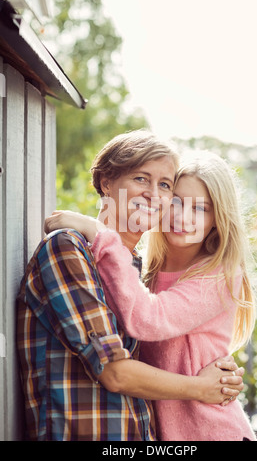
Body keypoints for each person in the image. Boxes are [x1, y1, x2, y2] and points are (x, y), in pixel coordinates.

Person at [17, 131, 243, 442]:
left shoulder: (130, 269)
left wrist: (217, 371)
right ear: (107, 182)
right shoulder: (68, 248)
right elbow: (116, 372)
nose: (154, 194)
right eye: (141, 178)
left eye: (164, 185)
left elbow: (151, 332)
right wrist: (202, 386)